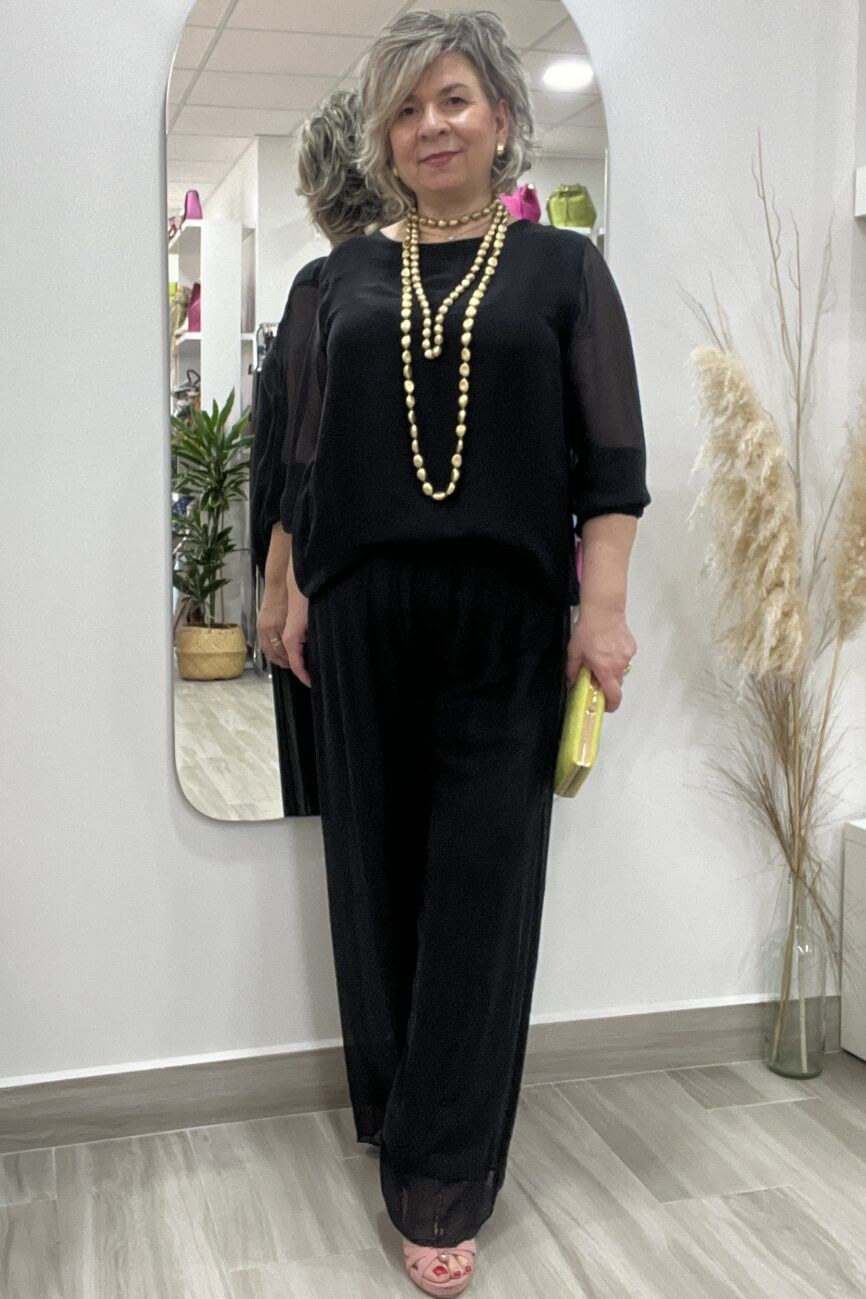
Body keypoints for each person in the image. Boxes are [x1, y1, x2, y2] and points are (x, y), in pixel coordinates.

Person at [280, 11, 651, 1294]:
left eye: (449, 100)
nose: (428, 126)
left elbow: (612, 467)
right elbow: (303, 460)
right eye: (404, 108)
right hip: (360, 614)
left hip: (505, 618)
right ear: (383, 139)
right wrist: (288, 584)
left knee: (479, 890)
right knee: (374, 874)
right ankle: (401, 1112)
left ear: (499, 116)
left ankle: (440, 1177)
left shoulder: (562, 270)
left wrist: (601, 611)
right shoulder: (333, 281)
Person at [249, 89, 382, 813]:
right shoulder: (408, 288)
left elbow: (300, 458)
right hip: (364, 576)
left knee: (325, 787)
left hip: (315, 576)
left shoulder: (323, 284)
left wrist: (276, 584)